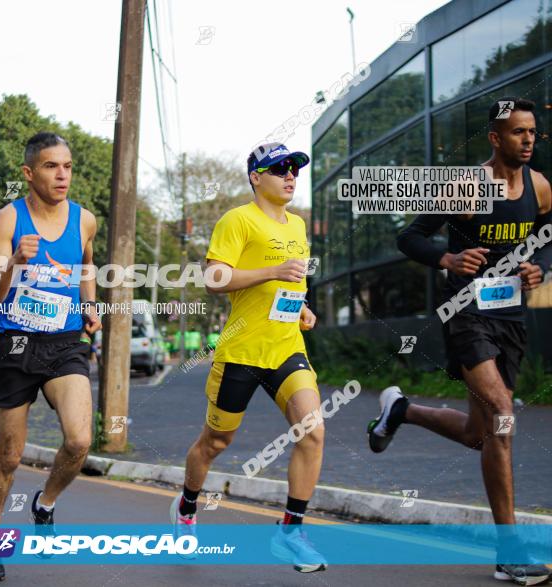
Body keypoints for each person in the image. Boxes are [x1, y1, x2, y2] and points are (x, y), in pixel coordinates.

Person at [368, 97, 551, 585]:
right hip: (465, 312)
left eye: (533, 131)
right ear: (496, 138)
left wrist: (541, 266)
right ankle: (509, 552)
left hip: (509, 314)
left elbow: (547, 237)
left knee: (480, 433)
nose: (529, 139)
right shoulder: (466, 186)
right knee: (502, 415)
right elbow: (411, 238)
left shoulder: (539, 187)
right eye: (518, 132)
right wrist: (446, 260)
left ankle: (400, 411)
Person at [171, 142, 326, 573]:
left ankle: (291, 532)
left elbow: (291, 287)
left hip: (286, 349)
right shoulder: (237, 220)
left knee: (312, 432)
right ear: (256, 177)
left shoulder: (297, 226)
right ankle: (187, 505)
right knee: (215, 443)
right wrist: (272, 272)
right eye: (279, 169)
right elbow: (214, 277)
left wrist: (303, 307)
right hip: (241, 351)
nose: (290, 175)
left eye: (294, 168)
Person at [0, 132, 101, 581]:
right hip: (14, 344)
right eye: (51, 166)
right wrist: (13, 263)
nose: (62, 175)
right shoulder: (7, 221)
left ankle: (44, 504)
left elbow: (86, 265)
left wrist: (89, 304)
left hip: (65, 342)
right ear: (29, 173)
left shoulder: (85, 220)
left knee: (80, 440)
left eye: (67, 166)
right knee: (9, 457)